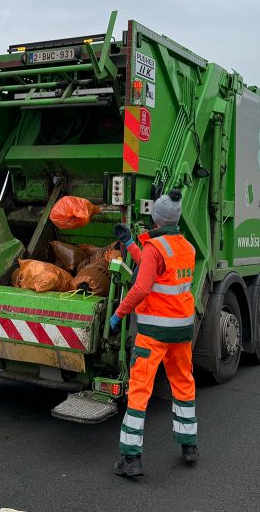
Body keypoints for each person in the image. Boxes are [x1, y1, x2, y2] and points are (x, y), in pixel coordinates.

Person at [110, 189, 198, 477]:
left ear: (156, 219)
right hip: (182, 331)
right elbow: (159, 270)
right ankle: (189, 446)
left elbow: (141, 286)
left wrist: (118, 314)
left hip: (154, 333)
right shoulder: (185, 246)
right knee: (183, 384)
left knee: (139, 391)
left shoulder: (155, 249)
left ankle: (131, 459)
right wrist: (131, 243)